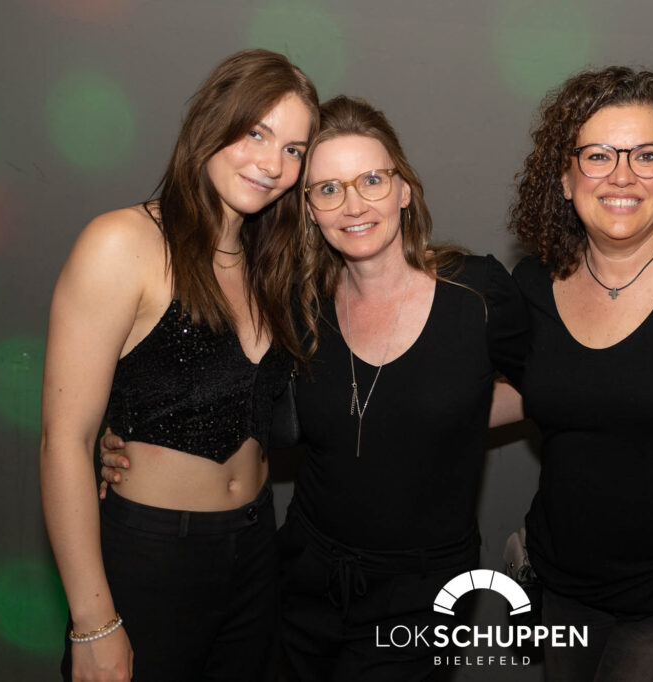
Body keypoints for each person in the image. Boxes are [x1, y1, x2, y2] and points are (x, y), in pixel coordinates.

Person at [99, 94, 530, 681]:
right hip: (303, 575)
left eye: (372, 180)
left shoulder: (476, 294)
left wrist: (448, 417)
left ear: (404, 190)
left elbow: (550, 389)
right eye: (328, 189)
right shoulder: (298, 307)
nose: (353, 205)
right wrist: (128, 433)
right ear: (308, 210)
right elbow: (219, 388)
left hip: (421, 591)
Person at [40, 49, 318, 682]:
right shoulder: (123, 243)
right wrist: (93, 622)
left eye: (294, 150)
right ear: (213, 122)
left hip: (257, 550)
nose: (273, 164)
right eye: (256, 134)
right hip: (152, 557)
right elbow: (65, 442)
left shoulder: (272, 264)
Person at [505, 66, 653, 681]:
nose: (622, 175)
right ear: (564, 177)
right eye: (598, 155)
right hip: (561, 582)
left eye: (646, 155)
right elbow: (523, 393)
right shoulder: (532, 284)